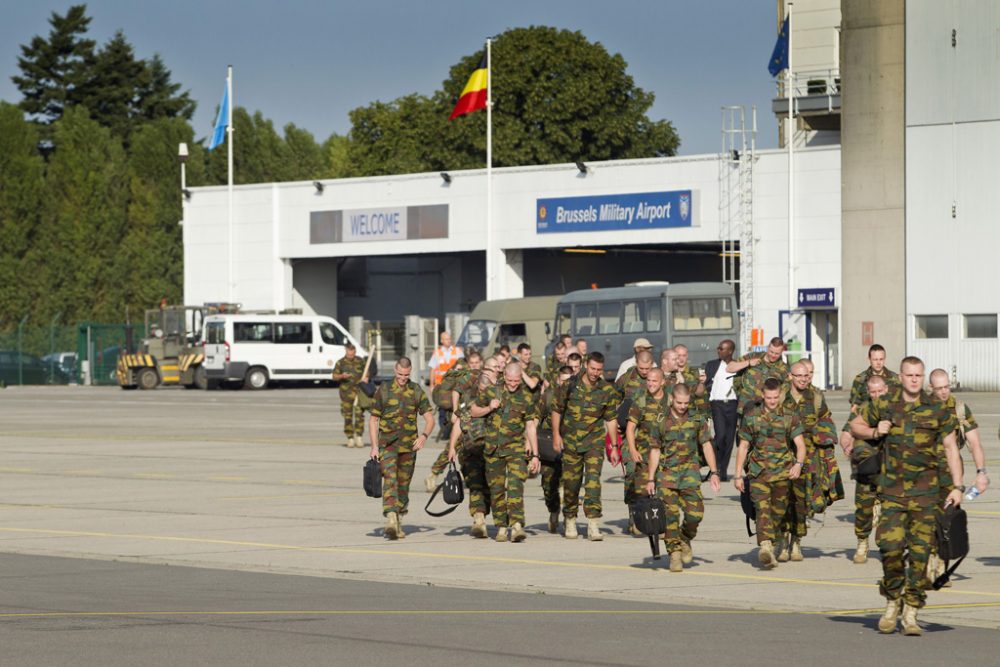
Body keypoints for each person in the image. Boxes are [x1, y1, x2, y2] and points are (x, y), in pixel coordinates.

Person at [850, 357, 965, 636]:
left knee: (919, 555)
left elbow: (951, 448)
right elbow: (855, 426)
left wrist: (958, 486)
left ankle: (910, 611)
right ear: (900, 377)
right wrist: (876, 431)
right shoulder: (884, 404)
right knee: (889, 549)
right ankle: (892, 600)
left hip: (926, 495)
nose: (914, 379)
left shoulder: (937, 408)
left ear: (922, 378)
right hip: (891, 493)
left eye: (918, 375)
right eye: (909, 374)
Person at [646, 384, 721, 572]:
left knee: (695, 514)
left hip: (690, 475)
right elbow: (655, 450)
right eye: (679, 403)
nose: (682, 406)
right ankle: (674, 554)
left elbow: (706, 445)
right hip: (667, 477)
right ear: (672, 399)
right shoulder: (661, 420)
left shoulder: (697, 419)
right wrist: (650, 479)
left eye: (686, 403)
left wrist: (714, 472)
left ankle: (685, 537)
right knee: (670, 516)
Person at [733, 378, 807, 569]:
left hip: (783, 474)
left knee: (778, 513)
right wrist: (737, 474)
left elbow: (800, 445)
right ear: (763, 396)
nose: (772, 401)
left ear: (780, 395)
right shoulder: (752, 416)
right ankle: (765, 546)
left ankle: (775, 541)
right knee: (762, 510)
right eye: (768, 398)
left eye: (775, 397)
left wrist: (798, 464)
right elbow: (743, 446)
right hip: (759, 472)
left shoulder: (789, 416)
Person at [926, 368, 990, 583]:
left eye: (947, 387)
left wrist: (981, 472)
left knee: (946, 523)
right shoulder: (921, 407)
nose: (944, 392)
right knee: (923, 521)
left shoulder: (960, 409)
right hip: (922, 473)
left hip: (951, 476)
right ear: (930, 388)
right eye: (939, 388)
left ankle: (940, 568)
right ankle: (926, 564)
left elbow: (975, 443)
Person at [551, 352, 620, 541]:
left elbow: (611, 419)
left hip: (594, 444)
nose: (595, 373)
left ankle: (593, 522)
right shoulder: (570, 385)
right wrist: (556, 435)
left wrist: (614, 446)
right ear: (585, 366)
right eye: (592, 369)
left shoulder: (607, 390)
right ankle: (570, 518)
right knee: (572, 485)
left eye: (599, 370)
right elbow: (556, 410)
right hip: (571, 443)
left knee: (593, 483)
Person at [368, 357, 434, 540]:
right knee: (390, 480)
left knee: (403, 486)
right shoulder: (384, 390)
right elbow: (373, 419)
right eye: (399, 374)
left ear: (410, 372)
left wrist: (424, 436)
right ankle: (390, 517)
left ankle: (398, 518)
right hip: (387, 445)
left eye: (406, 375)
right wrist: (374, 446)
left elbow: (430, 418)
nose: (402, 378)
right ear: (394, 371)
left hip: (409, 447)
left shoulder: (415, 390)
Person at [778, 361, 838, 562]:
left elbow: (827, 421)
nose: (803, 379)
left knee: (801, 502)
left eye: (806, 376)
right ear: (790, 376)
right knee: (782, 500)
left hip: (809, 458)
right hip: (783, 456)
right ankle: (783, 540)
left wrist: (825, 439)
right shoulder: (779, 396)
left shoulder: (816, 398)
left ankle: (796, 541)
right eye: (799, 376)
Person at [474, 362, 541, 542]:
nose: (513, 384)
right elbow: (472, 410)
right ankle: (501, 526)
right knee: (496, 491)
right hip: (493, 449)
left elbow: (530, 426)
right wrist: (489, 408)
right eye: (510, 380)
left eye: (516, 380)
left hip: (515, 449)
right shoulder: (490, 392)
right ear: (504, 375)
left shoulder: (526, 397)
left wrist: (535, 455)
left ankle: (517, 525)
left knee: (515, 487)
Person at [839, 375, 888, 564]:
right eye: (873, 392)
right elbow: (846, 432)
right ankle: (862, 542)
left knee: (892, 509)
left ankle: (887, 544)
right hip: (867, 469)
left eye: (880, 391)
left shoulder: (894, 408)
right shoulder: (861, 410)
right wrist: (846, 446)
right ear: (868, 392)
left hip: (888, 468)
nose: (876, 395)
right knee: (863, 510)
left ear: (886, 389)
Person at [448, 370, 498, 538]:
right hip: (472, 450)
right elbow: (459, 424)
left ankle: (485, 514)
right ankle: (479, 518)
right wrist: (452, 447)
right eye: (482, 389)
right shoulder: (469, 400)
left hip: (493, 452)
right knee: (476, 485)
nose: (484, 392)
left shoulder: (498, 400)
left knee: (490, 487)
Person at [428, 352, 481, 492]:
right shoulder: (465, 377)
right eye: (472, 363)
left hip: (477, 420)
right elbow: (456, 393)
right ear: (468, 364)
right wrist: (456, 412)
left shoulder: (483, 376)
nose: (475, 365)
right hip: (463, 418)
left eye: (477, 363)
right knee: (453, 448)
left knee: (470, 451)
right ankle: (433, 474)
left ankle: (469, 477)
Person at [616, 349, 655, 526]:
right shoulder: (626, 378)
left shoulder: (657, 378)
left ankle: (651, 513)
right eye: (641, 368)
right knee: (632, 471)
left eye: (647, 368)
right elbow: (612, 399)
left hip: (651, 436)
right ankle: (633, 511)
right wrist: (615, 419)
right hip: (630, 435)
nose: (645, 372)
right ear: (636, 364)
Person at [538, 365, 573, 533]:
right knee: (548, 483)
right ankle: (553, 510)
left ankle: (569, 517)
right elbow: (535, 418)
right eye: (562, 380)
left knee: (571, 483)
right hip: (549, 444)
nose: (565, 384)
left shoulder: (577, 396)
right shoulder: (549, 396)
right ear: (557, 380)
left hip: (570, 444)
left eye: (569, 381)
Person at [727, 337, 789, 421]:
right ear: (767, 348)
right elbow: (729, 368)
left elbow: (785, 392)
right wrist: (748, 363)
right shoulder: (753, 356)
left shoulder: (784, 368)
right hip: (746, 406)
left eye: (777, 353)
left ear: (781, 352)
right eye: (771, 352)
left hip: (767, 412)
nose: (773, 355)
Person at [705, 339, 738, 480]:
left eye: (722, 348)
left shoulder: (737, 365)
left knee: (729, 439)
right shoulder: (712, 365)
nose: (719, 350)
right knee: (720, 436)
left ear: (730, 351)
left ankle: (722, 470)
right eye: (718, 348)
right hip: (717, 404)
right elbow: (706, 383)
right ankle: (716, 467)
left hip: (733, 404)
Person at [429, 331, 463, 439]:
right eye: (446, 339)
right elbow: (433, 369)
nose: (448, 340)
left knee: (456, 408)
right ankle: (444, 431)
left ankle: (455, 430)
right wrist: (431, 385)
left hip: (455, 386)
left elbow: (464, 365)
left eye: (449, 338)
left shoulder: (458, 351)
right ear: (441, 340)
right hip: (442, 387)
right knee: (442, 410)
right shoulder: (437, 352)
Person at [332, 343, 367, 447]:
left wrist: (366, 378)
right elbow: (334, 376)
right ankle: (350, 438)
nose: (351, 355)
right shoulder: (341, 363)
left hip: (359, 393)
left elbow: (367, 372)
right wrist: (341, 376)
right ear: (346, 351)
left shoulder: (360, 361)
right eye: (349, 353)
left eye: (352, 353)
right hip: (346, 394)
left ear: (355, 352)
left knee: (359, 415)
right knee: (347, 416)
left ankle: (359, 437)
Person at [849, 344, 901, 414]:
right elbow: (854, 407)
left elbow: (901, 403)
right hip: (867, 420)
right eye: (875, 359)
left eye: (881, 359)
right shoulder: (860, 380)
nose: (878, 363)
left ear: (885, 359)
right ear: (869, 359)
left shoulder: (895, 379)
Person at [674, 344, 709, 421]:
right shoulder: (670, 374)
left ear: (687, 356)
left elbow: (700, 394)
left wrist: (702, 382)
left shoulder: (695, 373)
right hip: (674, 416)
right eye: (679, 355)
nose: (681, 358)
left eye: (684, 355)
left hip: (692, 415)